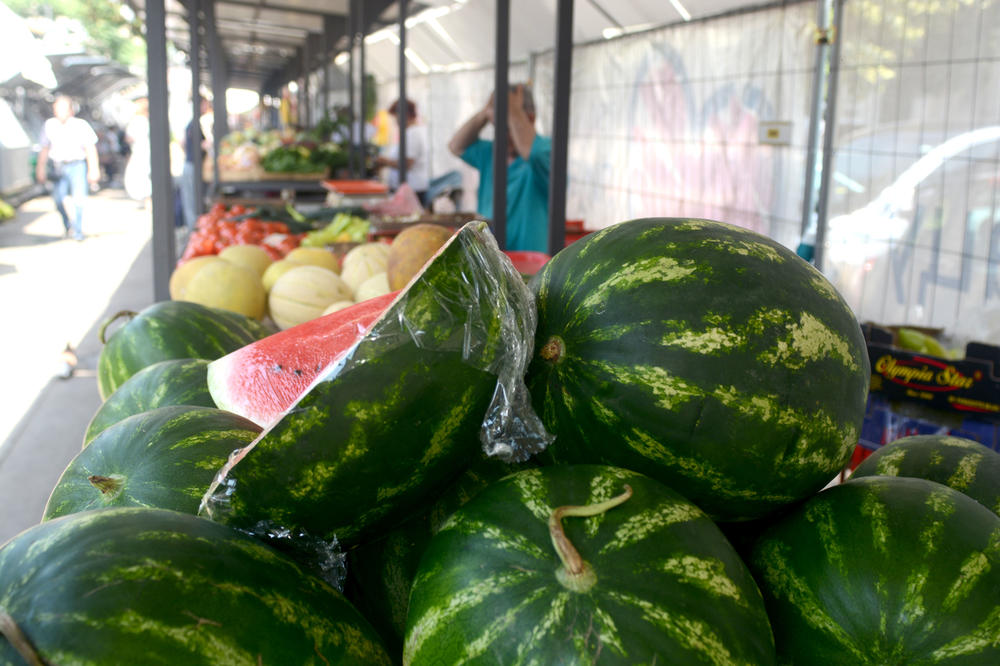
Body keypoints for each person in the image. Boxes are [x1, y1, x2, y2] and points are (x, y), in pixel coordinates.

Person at [448, 83, 551, 252]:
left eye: (508, 127)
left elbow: (534, 153)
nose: (502, 135)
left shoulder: (545, 152)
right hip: (492, 260)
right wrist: (484, 113)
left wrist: (514, 111)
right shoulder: (491, 153)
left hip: (531, 264)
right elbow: (456, 146)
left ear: (530, 118)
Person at [34, 95, 100, 241]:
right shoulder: (49, 125)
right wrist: (40, 168)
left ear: (71, 110)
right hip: (58, 167)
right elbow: (44, 149)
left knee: (78, 199)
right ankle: (67, 224)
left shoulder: (81, 125)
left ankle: (77, 230)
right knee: (58, 199)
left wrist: (93, 168)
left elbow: (90, 147)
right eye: (57, 109)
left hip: (77, 165)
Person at [375, 98, 430, 205]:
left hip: (413, 189)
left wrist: (385, 162)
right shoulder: (409, 133)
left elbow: (407, 163)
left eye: (396, 117)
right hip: (409, 188)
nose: (396, 121)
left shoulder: (413, 134)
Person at [180, 98, 211, 229]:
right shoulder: (194, 125)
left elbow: (183, 143)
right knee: (192, 201)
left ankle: (195, 229)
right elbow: (202, 145)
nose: (207, 107)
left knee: (192, 200)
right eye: (205, 104)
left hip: (191, 165)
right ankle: (194, 231)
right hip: (192, 166)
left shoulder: (193, 124)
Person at [123, 97, 152, 208]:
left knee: (142, 178)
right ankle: (148, 202)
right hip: (144, 152)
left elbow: (129, 138)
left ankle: (148, 202)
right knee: (145, 178)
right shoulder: (146, 119)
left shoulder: (137, 120)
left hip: (140, 153)